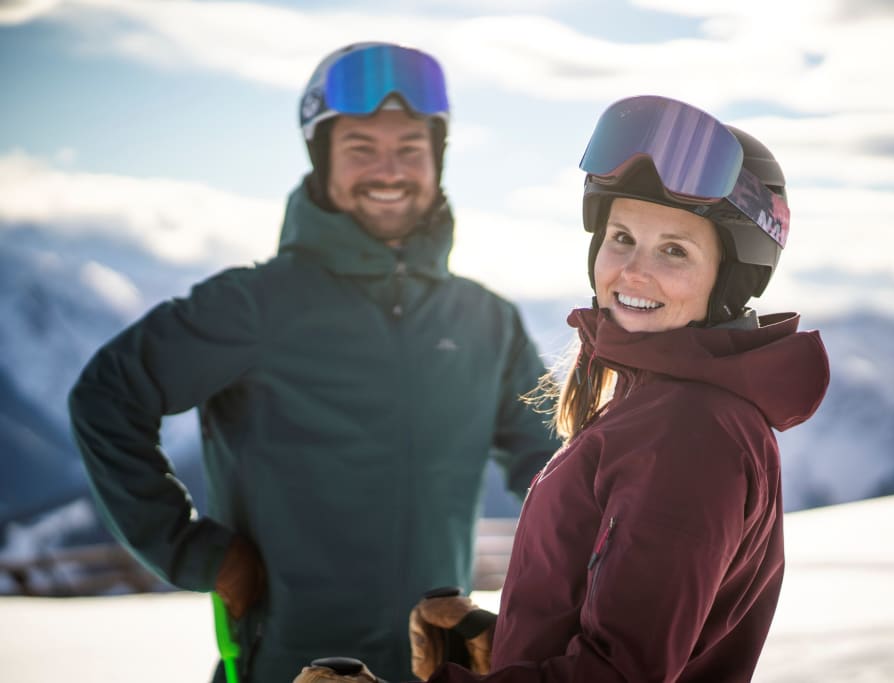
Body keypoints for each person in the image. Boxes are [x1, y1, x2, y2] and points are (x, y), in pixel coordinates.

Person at [67, 42, 561, 683]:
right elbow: (107, 395)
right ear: (320, 158)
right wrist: (194, 552)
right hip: (287, 663)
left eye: (410, 147)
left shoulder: (486, 320)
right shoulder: (256, 304)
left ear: (437, 158)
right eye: (361, 148)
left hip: (434, 666)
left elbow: (552, 470)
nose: (390, 170)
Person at [295, 95, 830, 682]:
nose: (632, 271)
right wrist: (506, 645)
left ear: (731, 277)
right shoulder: (659, 406)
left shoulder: (690, 433)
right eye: (621, 236)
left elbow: (620, 675)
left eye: (674, 250)